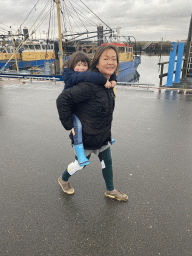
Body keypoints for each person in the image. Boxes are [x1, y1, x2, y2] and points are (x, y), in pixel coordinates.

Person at [56, 45, 128, 202]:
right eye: (106, 59)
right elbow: (62, 100)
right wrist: (69, 125)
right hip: (86, 137)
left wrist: (113, 79)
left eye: (114, 59)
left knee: (107, 161)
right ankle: (63, 179)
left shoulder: (107, 81)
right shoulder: (89, 85)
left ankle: (110, 190)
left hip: (102, 135)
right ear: (97, 63)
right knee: (80, 164)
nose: (111, 62)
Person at [62, 51, 116, 166]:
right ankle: (80, 153)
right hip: (72, 109)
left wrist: (113, 78)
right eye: (78, 64)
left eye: (85, 65)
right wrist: (68, 123)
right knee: (77, 127)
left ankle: (108, 138)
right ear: (72, 65)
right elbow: (87, 75)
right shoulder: (70, 74)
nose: (82, 68)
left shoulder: (88, 74)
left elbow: (105, 73)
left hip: (80, 105)